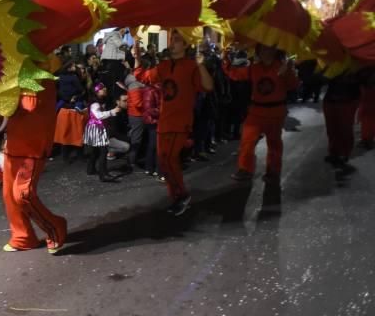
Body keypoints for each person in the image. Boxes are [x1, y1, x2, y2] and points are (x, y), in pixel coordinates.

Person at [134, 30, 214, 215]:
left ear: (186, 45)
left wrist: (201, 66)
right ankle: (177, 197)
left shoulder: (192, 66)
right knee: (164, 162)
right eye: (172, 39)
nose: (172, 43)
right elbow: (143, 77)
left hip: (181, 122)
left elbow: (208, 87)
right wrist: (137, 56)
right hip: (165, 121)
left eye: (177, 40)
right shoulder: (164, 66)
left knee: (169, 159)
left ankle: (182, 195)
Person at [2, 60, 67, 254]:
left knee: (23, 194)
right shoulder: (15, 67)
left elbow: (29, 104)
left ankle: (55, 226)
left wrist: (2, 90)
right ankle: (23, 237)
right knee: (9, 195)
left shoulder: (36, 69)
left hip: (34, 145)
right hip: (14, 141)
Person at [227, 45, 298, 183]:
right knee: (247, 141)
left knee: (274, 143)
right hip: (256, 111)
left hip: (276, 111)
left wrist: (288, 71)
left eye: (269, 49)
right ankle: (245, 169)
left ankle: (273, 171)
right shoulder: (254, 68)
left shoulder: (282, 67)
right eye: (262, 50)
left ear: (275, 51)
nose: (266, 52)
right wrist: (226, 59)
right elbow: (236, 74)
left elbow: (293, 85)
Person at [83, 83, 122, 182]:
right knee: (103, 151)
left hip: (94, 128)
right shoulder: (95, 104)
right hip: (97, 129)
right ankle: (103, 174)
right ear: (96, 91)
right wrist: (112, 111)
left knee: (95, 151)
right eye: (102, 88)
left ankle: (91, 169)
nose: (105, 89)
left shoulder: (97, 102)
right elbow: (99, 116)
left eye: (104, 87)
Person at [322, 73, 361, 168]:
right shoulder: (331, 63)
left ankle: (344, 153)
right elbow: (321, 79)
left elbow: (364, 80)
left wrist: (349, 77)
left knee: (345, 128)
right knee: (331, 129)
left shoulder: (356, 65)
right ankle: (334, 152)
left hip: (348, 100)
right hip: (330, 100)